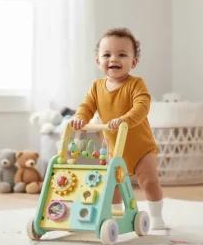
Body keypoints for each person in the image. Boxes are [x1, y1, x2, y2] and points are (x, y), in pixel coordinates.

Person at [70, 27, 165, 230]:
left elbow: (142, 106)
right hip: (114, 149)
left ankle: (156, 215)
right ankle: (114, 215)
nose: (114, 59)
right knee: (112, 186)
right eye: (107, 55)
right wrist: (80, 117)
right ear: (98, 61)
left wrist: (125, 119)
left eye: (122, 54)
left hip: (141, 149)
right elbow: (87, 106)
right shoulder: (96, 87)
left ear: (134, 62)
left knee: (149, 182)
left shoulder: (136, 84)